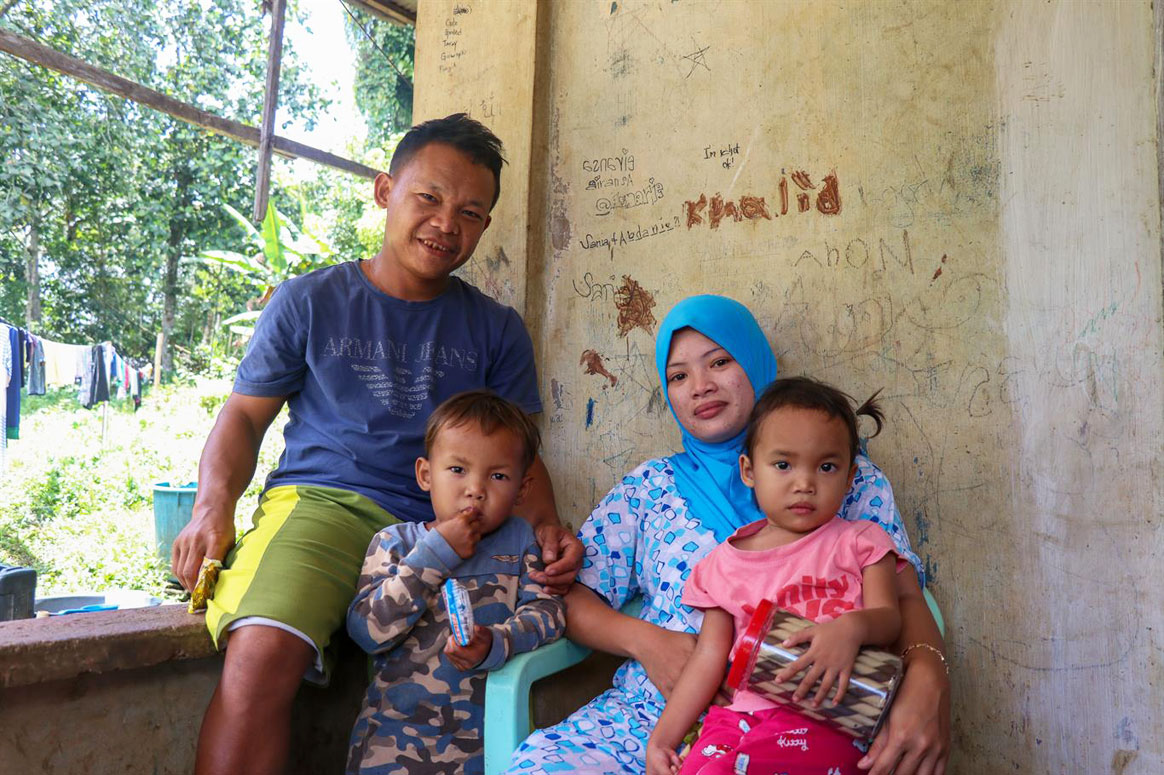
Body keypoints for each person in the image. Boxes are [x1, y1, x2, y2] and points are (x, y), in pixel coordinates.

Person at [170, 113, 583, 775]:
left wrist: (547, 530)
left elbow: (520, 460)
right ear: (385, 189)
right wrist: (210, 505)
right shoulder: (310, 301)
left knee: (478, 669)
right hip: (325, 508)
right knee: (259, 656)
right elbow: (243, 418)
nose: (448, 223)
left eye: (471, 212)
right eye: (430, 197)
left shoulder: (497, 330)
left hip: (458, 525)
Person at [505, 295, 949, 775]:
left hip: (810, 719)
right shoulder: (648, 488)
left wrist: (928, 684)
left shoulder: (844, 475)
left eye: (719, 361)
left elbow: (905, 598)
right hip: (652, 716)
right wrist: (649, 644)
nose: (701, 386)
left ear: (756, 361)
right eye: (678, 376)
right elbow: (570, 598)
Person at [646, 377, 907, 775]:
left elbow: (890, 619)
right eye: (783, 465)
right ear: (749, 471)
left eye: (826, 466)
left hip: (831, 718)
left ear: (851, 477)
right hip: (740, 721)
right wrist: (662, 740)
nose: (804, 483)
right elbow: (709, 658)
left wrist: (850, 628)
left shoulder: (861, 543)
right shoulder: (722, 565)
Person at [346, 391, 565, 775]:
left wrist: (497, 643)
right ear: (426, 474)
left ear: (522, 490)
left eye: (497, 476)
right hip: (391, 744)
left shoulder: (520, 544)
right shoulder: (395, 543)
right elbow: (368, 630)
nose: (475, 489)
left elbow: (549, 614)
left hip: (484, 746)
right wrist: (435, 554)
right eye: (458, 470)